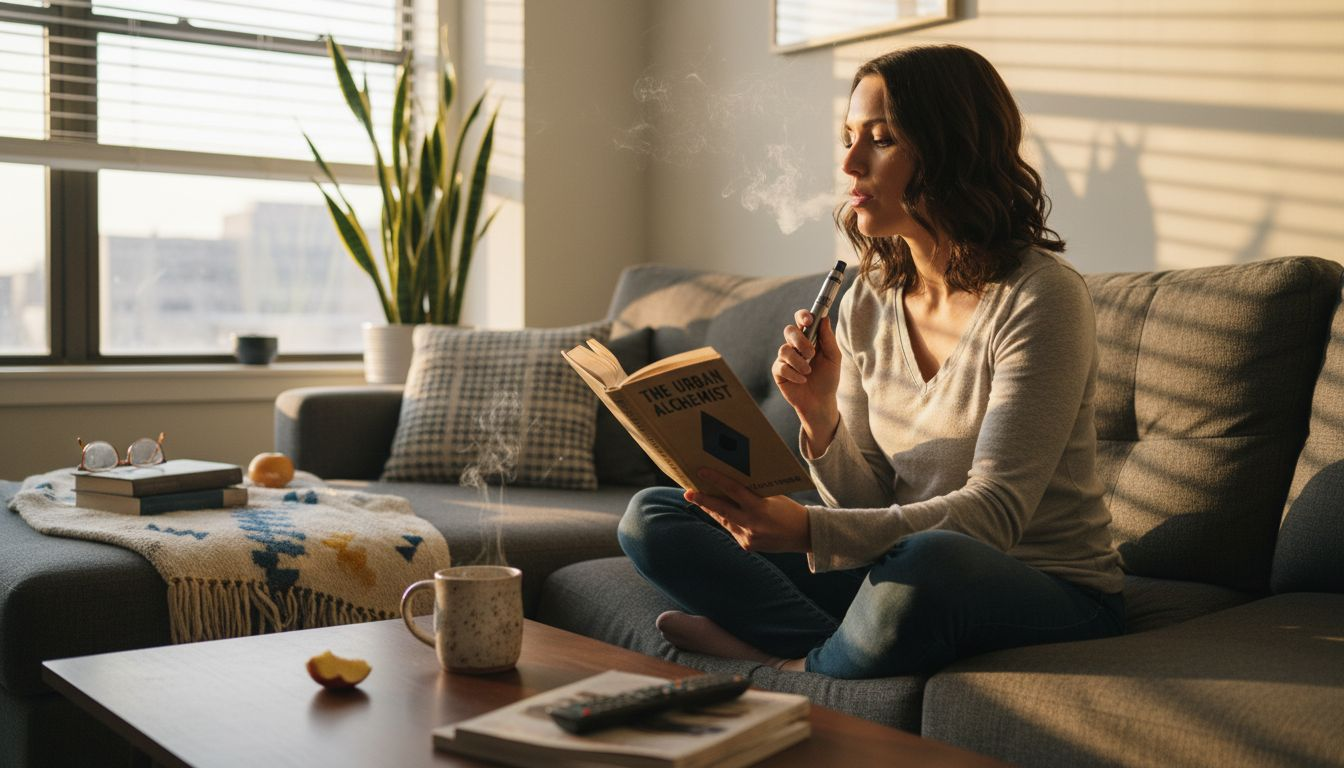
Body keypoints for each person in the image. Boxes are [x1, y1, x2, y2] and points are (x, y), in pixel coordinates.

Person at [616, 44, 1125, 679]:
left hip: (1037, 583)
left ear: (952, 150)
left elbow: (994, 514)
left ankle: (793, 664)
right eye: (849, 138)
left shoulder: (1041, 297)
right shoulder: (867, 299)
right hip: (899, 563)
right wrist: (819, 416)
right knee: (656, 517)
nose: (850, 162)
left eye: (881, 140)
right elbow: (869, 499)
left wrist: (807, 531)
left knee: (929, 562)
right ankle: (831, 649)